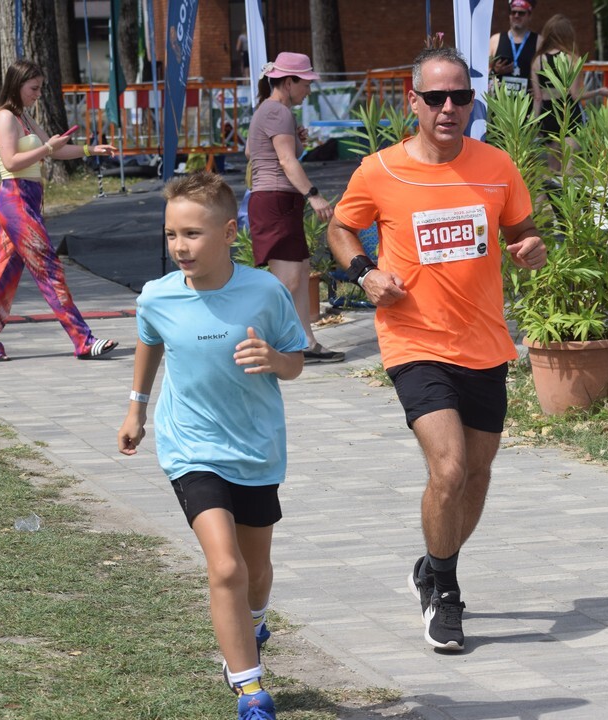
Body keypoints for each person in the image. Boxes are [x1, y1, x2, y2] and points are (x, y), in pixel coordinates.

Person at [327, 46, 547, 652]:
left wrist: (530, 247)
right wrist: (364, 272)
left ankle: (432, 564)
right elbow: (340, 227)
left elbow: (522, 229)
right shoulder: (380, 170)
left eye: (460, 96)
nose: (449, 108)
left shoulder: (496, 165)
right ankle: (445, 594)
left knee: (476, 474)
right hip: (413, 340)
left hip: (484, 342)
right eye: (436, 97)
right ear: (414, 102)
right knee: (448, 467)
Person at [118, 172, 306, 720]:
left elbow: (295, 360)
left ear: (228, 233)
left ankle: (252, 622)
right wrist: (136, 409)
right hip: (191, 448)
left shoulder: (264, 292)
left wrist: (274, 360)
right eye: (171, 234)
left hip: (255, 449)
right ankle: (250, 689)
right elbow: (149, 340)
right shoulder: (157, 296)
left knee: (256, 571)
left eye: (193, 234)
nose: (180, 246)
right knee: (225, 567)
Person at [0, 59, 119, 362]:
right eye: (34, 88)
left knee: (1, 274)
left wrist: (90, 150)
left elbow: (56, 149)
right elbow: (11, 162)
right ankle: (83, 340)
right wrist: (47, 149)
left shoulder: (23, 116)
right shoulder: (5, 118)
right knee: (49, 269)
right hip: (16, 200)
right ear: (17, 84)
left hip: (26, 201)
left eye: (40, 88)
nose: (38, 94)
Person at [245, 51, 344, 364]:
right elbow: (287, 162)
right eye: (306, 83)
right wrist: (314, 195)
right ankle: (265, 341)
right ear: (288, 82)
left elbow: (251, 151)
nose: (309, 90)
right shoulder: (278, 112)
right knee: (287, 280)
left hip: (278, 200)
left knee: (299, 272)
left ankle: (306, 342)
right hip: (275, 199)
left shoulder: (271, 110)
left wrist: (293, 139)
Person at [531, 14, 608, 165]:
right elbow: (575, 95)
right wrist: (598, 91)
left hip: (548, 114)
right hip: (568, 113)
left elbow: (537, 98)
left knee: (553, 166)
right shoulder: (572, 59)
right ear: (568, 35)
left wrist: (533, 123)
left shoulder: (538, 60)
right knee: (570, 164)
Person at [488, 0, 539, 95]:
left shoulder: (539, 41)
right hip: (500, 100)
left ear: (529, 16)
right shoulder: (495, 40)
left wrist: (540, 89)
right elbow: (484, 71)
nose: (516, 16)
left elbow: (547, 71)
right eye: (513, 12)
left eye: (521, 13)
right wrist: (495, 71)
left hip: (527, 101)